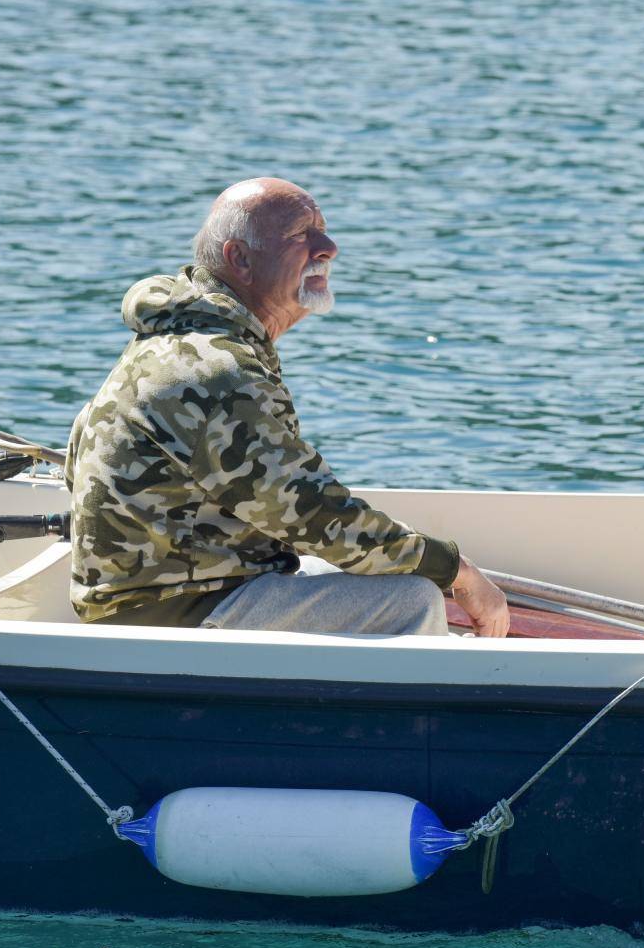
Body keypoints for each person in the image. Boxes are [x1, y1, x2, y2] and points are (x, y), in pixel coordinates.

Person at [66, 177, 509, 637]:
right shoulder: (214, 370)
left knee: (371, 573)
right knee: (410, 599)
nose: (329, 248)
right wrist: (456, 570)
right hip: (173, 612)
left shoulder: (174, 344)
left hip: (175, 594)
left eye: (324, 231)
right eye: (302, 235)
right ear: (240, 259)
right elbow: (313, 512)